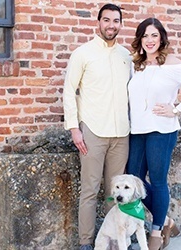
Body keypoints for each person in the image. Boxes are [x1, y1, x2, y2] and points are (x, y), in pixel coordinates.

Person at [126, 17, 181, 250]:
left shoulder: (171, 63)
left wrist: (176, 109)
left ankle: (156, 232)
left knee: (158, 181)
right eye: (145, 35)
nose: (150, 40)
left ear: (161, 38)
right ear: (140, 39)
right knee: (133, 180)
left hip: (162, 131)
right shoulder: (137, 64)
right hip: (137, 131)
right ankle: (168, 221)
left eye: (154, 35)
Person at [63, 4, 131, 250]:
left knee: (117, 194)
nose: (111, 25)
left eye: (116, 20)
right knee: (89, 191)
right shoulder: (83, 53)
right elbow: (69, 91)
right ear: (98, 22)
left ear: (120, 24)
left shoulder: (127, 56)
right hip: (92, 131)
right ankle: (85, 243)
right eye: (106, 20)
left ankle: (115, 241)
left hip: (122, 134)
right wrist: (74, 128)